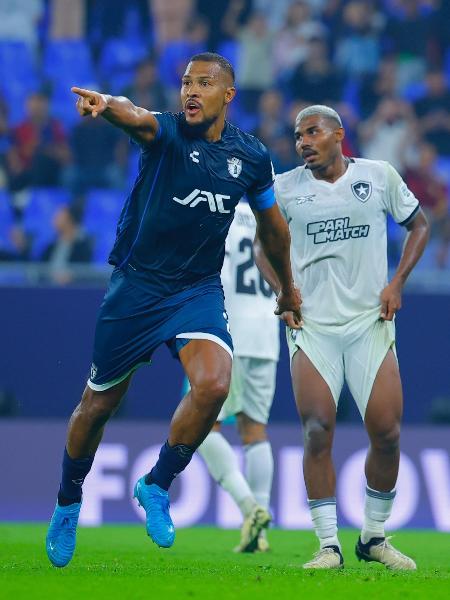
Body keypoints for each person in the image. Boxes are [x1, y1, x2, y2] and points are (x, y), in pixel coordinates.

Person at [45, 52, 301, 568]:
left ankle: (157, 484)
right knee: (96, 407)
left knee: (213, 385)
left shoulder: (250, 158)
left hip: (196, 290)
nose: (190, 90)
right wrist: (107, 105)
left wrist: (289, 289)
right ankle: (68, 503)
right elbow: (134, 114)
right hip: (136, 289)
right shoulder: (165, 133)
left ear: (228, 95)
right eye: (186, 81)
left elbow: (273, 230)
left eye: (204, 83)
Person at [255, 105, 429, 570]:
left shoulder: (378, 175)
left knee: (388, 434)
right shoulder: (285, 188)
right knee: (317, 430)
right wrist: (283, 292)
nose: (303, 142)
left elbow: (419, 225)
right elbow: (261, 246)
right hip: (313, 327)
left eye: (312, 132)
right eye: (297, 136)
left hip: (368, 323)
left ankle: (373, 537)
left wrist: (397, 283)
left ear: (338, 135)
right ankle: (328, 545)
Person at [198, 199, 280, 553]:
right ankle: (258, 533)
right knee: (254, 429)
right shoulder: (272, 216)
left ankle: (250, 508)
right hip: (267, 333)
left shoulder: (219, 210)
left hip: (229, 334)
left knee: (201, 427)